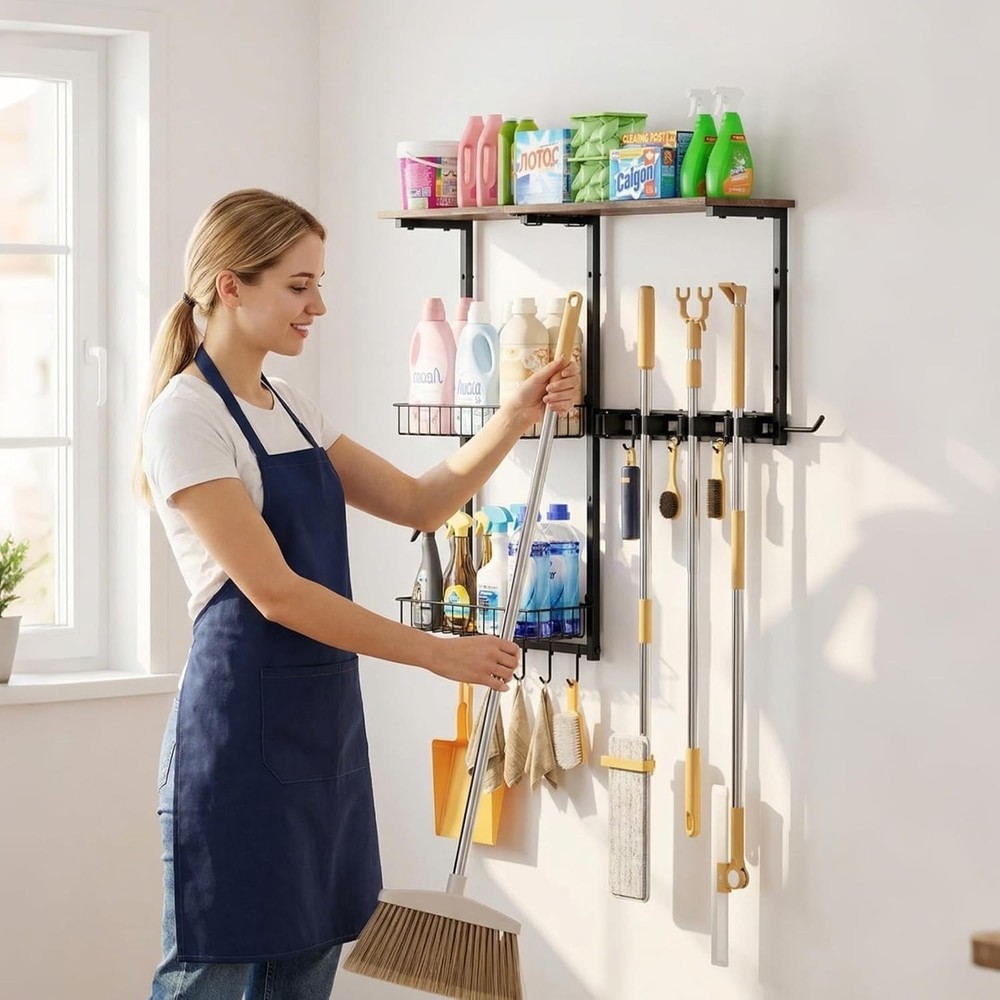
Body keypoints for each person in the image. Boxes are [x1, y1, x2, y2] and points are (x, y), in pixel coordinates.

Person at [135, 188, 580, 999]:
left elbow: (420, 502)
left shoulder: (290, 410)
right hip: (235, 742)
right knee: (217, 968)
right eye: (299, 286)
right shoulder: (187, 419)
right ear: (231, 285)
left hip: (320, 732)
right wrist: (436, 654)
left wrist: (513, 416)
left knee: (308, 960)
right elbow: (278, 595)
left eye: (319, 284)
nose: (319, 306)